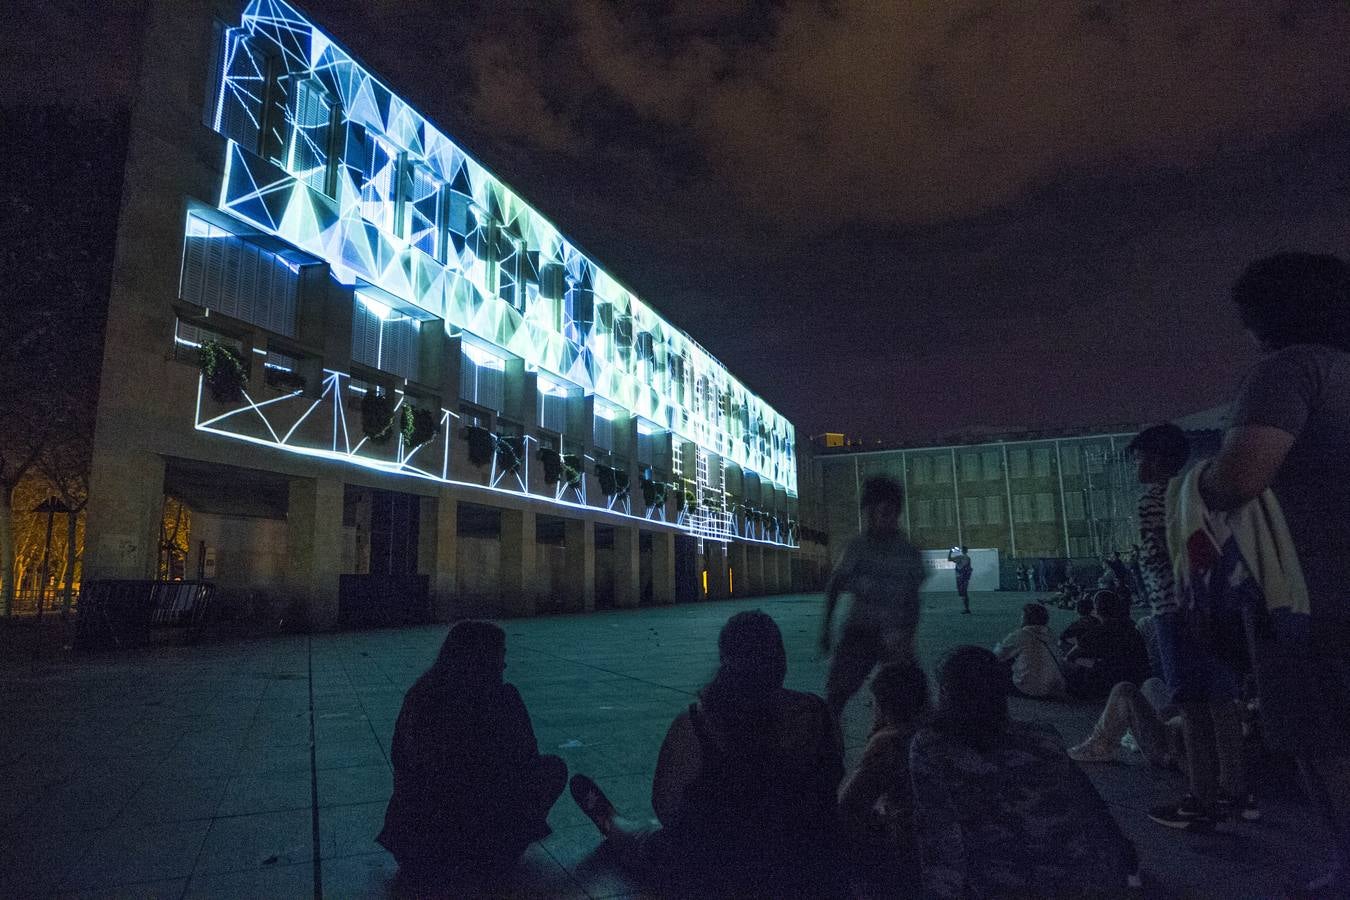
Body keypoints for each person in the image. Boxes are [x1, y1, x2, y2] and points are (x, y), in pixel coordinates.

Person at [1198, 253, 1350, 892]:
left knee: (1326, 743)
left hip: (1312, 598)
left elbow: (1240, 477)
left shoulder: (1290, 371)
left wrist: (1195, 482)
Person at [569, 611, 846, 898]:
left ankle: (611, 822)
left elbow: (665, 807)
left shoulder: (700, 723)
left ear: (726, 659)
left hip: (723, 872)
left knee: (647, 838)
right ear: (780, 660)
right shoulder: (818, 712)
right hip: (809, 861)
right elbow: (835, 781)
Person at [910, 646, 1138, 897]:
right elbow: (1088, 803)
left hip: (1003, 882)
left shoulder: (932, 748)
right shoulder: (1043, 736)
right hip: (1074, 876)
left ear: (946, 693)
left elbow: (941, 837)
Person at [1126, 422, 1253, 832]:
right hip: (1214, 609)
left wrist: (1184, 605)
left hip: (1176, 613)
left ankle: (1201, 798)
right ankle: (1236, 791)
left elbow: (1169, 557)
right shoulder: (1198, 494)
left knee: (1192, 707)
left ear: (1159, 458)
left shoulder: (1154, 500)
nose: (1139, 467)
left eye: (1142, 457)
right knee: (1222, 702)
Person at [378, 621, 566, 890]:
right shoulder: (501, 699)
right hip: (478, 854)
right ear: (485, 658)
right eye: (501, 654)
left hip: (415, 852)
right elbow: (527, 761)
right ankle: (504, 848)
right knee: (553, 768)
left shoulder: (420, 696)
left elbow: (401, 760)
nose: (504, 664)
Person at [819, 476, 928, 721]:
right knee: (835, 697)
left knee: (910, 701)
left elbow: (913, 599)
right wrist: (826, 628)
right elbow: (835, 585)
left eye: (885, 513)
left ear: (895, 513)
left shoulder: (908, 552)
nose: (877, 519)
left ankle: (894, 742)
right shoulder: (858, 547)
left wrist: (907, 636)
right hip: (861, 631)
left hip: (896, 634)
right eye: (872, 513)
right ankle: (828, 747)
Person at [838, 661, 929, 890]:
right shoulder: (941, 729)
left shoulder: (891, 741)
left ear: (882, 704)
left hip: (912, 847)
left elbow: (849, 805)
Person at [1068, 676, 1186, 771]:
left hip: (1172, 744)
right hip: (1174, 724)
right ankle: (1134, 730)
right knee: (1152, 683)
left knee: (1124, 690)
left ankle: (1101, 745)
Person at [1064, 589, 1151, 700]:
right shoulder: (1132, 628)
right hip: (1137, 680)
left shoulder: (1097, 631)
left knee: (1072, 662)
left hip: (1108, 684)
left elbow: (1070, 656)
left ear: (1096, 610)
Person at [992, 602, 1065, 698]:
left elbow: (997, 655)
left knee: (997, 666)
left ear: (1026, 618)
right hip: (1056, 686)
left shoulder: (1020, 635)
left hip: (1030, 689)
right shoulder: (1051, 634)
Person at [948, 545, 973, 613]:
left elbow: (949, 559)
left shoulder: (961, 557)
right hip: (964, 577)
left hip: (961, 577)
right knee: (964, 593)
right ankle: (966, 608)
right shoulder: (967, 558)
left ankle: (967, 608)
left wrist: (950, 552)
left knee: (963, 593)